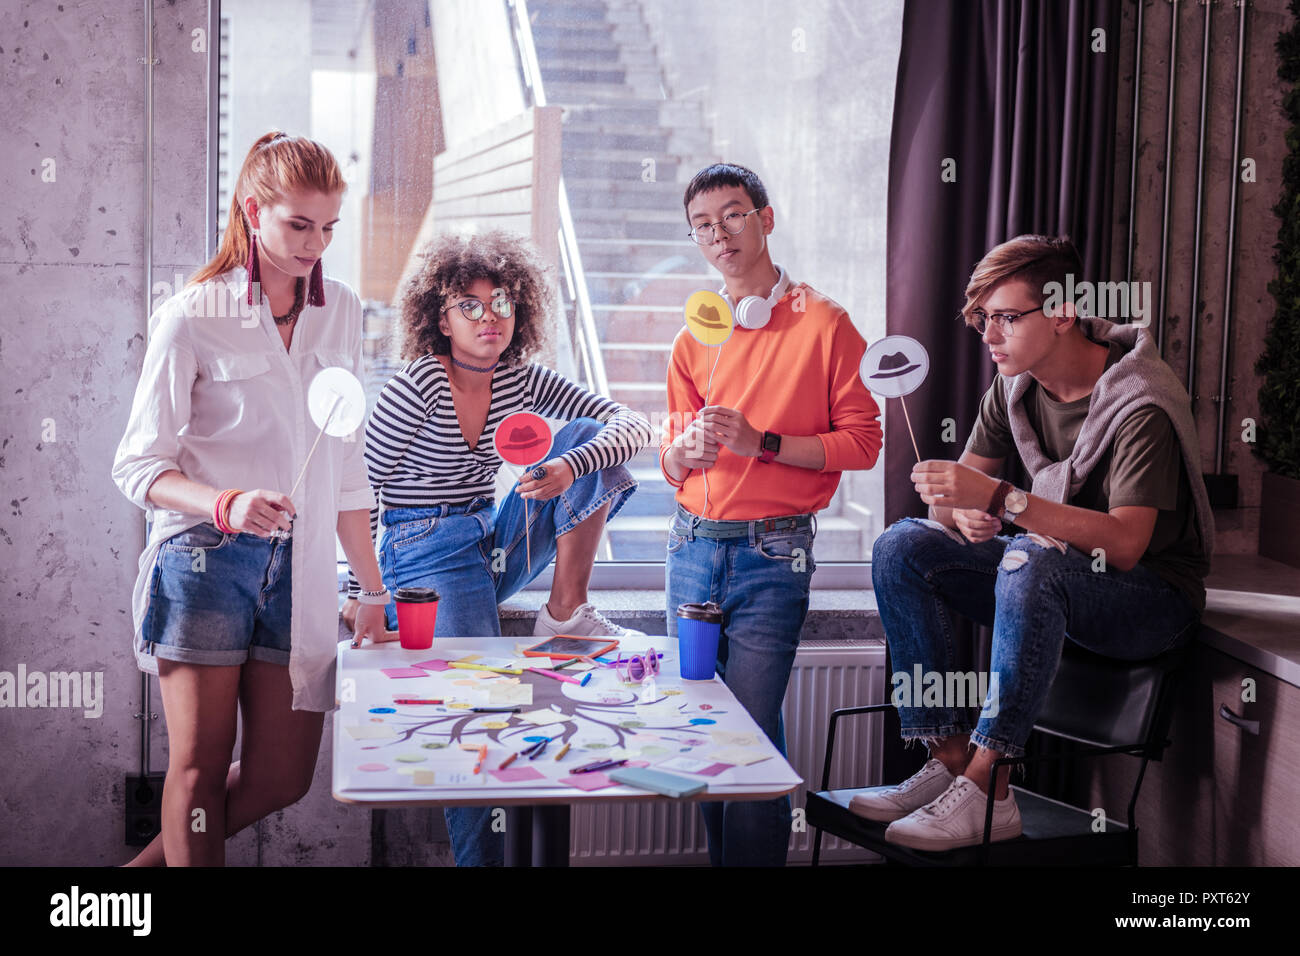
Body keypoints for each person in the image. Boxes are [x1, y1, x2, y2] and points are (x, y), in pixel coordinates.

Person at [861, 234, 1213, 851]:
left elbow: (1127, 546)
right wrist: (961, 512)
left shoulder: (1141, 403)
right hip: (1053, 577)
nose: (989, 337)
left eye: (1005, 318)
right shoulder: (1014, 386)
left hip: (1151, 602)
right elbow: (954, 496)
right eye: (983, 320)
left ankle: (990, 786)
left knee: (1029, 556)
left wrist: (1001, 500)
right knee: (902, 546)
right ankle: (948, 757)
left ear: (1062, 313)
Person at [112, 131, 391, 866]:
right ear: (253, 209)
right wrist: (225, 503)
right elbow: (138, 466)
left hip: (301, 573)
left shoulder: (344, 311)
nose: (314, 243)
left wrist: (371, 586)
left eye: (328, 227)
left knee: (282, 778)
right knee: (198, 771)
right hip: (205, 562)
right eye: (298, 224)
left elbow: (348, 466)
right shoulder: (193, 314)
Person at [340, 229, 654, 865]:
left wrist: (570, 466)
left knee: (589, 435)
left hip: (489, 537)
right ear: (440, 316)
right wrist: (359, 594)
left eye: (502, 301)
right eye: (470, 305)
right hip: (421, 548)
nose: (490, 317)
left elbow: (634, 425)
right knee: (479, 707)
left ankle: (564, 612)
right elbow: (353, 491)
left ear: (522, 308)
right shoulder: (416, 385)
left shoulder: (521, 378)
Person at [660, 163, 884, 866]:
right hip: (690, 546)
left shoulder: (825, 322)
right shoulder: (694, 334)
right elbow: (667, 463)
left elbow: (864, 443)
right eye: (703, 224)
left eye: (732, 215)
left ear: (765, 217)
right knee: (704, 728)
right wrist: (684, 453)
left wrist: (765, 444)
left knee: (750, 735)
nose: (719, 234)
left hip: (772, 551)